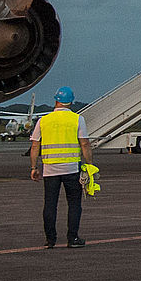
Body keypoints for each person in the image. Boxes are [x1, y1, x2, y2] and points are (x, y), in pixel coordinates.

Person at [28, 85, 92, 248]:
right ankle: (73, 238)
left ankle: (50, 239)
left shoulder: (44, 120)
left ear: (56, 100)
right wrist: (90, 165)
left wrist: (34, 167)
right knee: (74, 204)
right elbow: (84, 144)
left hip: (50, 170)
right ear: (71, 101)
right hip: (71, 169)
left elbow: (35, 146)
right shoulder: (78, 119)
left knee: (50, 204)